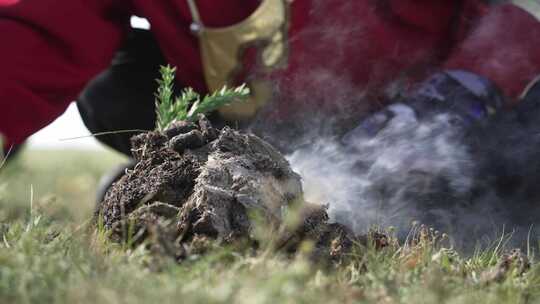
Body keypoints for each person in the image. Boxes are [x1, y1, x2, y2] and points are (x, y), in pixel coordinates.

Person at [1, 0, 540, 159]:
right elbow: (39, 26)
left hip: (433, 114)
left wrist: (453, 99)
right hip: (242, 121)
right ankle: (196, 188)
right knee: (114, 93)